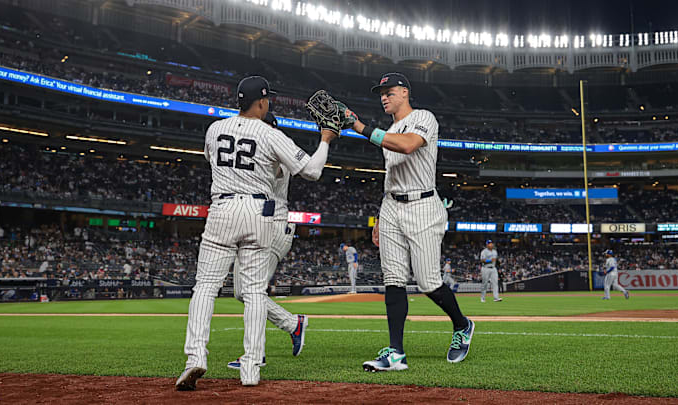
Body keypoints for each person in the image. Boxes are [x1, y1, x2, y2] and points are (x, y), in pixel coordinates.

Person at [176, 76, 336, 390]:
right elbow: (313, 171)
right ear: (261, 102)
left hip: (222, 207)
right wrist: (326, 139)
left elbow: (212, 159)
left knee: (205, 288)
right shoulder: (270, 133)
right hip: (259, 212)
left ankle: (195, 356)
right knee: (253, 293)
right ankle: (251, 367)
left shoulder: (214, 129)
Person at [347, 72, 474, 372]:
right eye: (381, 92)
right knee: (392, 279)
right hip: (392, 206)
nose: (384, 97)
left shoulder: (424, 118)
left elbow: (408, 145)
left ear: (405, 92)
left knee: (429, 282)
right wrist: (380, 216)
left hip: (423, 206)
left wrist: (360, 127)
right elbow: (391, 177)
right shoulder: (389, 132)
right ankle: (396, 354)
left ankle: (462, 325)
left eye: (389, 91)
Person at [227, 112, 308, 371]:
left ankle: (255, 354)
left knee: (251, 291)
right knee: (243, 291)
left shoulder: (277, 149)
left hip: (273, 227)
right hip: (255, 226)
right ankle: (292, 324)